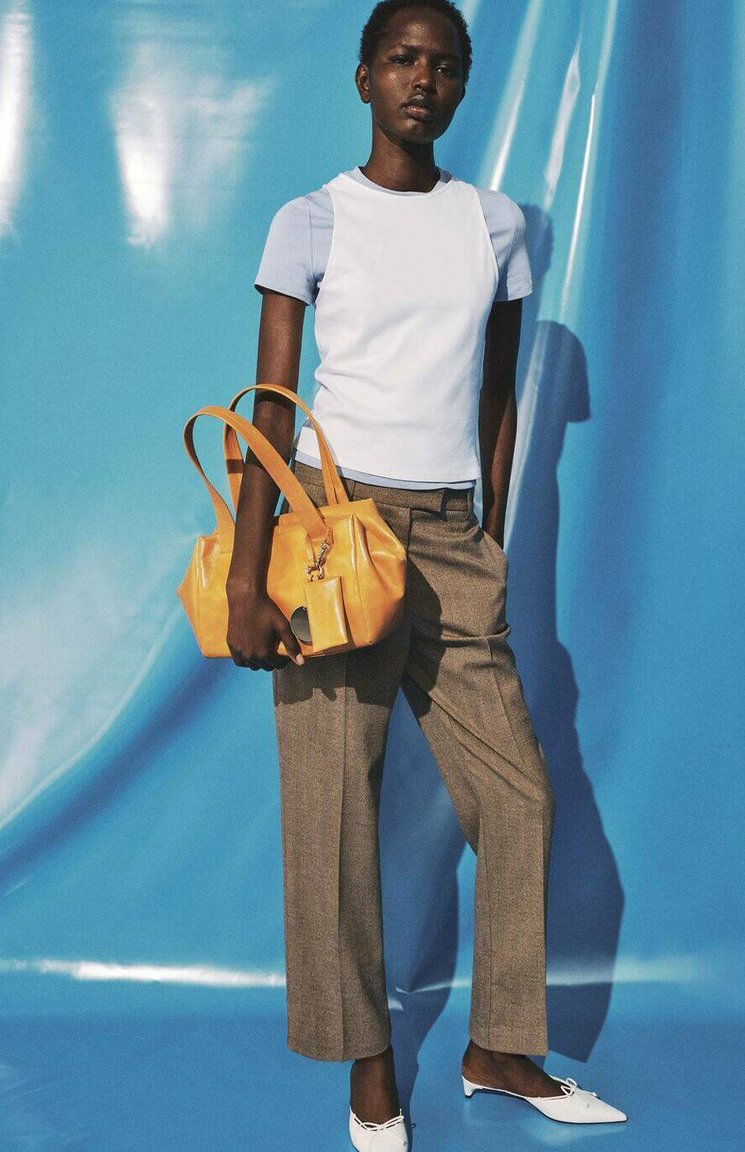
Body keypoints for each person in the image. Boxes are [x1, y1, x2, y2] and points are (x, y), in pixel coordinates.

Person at [226, 1, 627, 1147]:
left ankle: (498, 1046)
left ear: (462, 85)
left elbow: (497, 396)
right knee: (332, 809)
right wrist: (250, 576)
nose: (423, 80)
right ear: (363, 77)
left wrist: (487, 536)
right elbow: (268, 407)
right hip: (331, 529)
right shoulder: (309, 221)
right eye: (402, 59)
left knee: (516, 795)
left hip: (451, 535)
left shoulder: (493, 226)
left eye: (445, 65)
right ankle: (368, 1067)